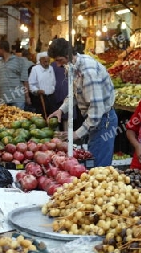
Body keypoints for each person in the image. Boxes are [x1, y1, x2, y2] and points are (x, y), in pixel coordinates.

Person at [47, 38, 117, 166]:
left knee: (98, 167)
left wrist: (76, 134)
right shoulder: (74, 67)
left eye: (59, 60)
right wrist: (61, 110)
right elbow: (74, 94)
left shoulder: (88, 71)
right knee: (92, 163)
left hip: (103, 122)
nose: (57, 65)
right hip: (94, 122)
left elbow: (96, 112)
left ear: (68, 55)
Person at [0, 41, 31, 110]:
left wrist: (27, 97)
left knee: (18, 119)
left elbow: (25, 80)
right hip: (3, 98)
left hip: (18, 98)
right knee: (5, 119)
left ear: (2, 49)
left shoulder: (19, 61)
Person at [51, 55, 78, 131]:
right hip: (59, 94)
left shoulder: (83, 69)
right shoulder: (53, 65)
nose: (58, 65)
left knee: (68, 116)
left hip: (69, 92)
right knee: (58, 116)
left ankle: (68, 135)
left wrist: (78, 134)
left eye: (60, 60)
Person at [28, 52, 57, 117]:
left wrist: (52, 90)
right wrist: (37, 90)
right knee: (42, 117)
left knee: (52, 117)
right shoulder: (35, 69)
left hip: (51, 98)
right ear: (40, 60)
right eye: (44, 59)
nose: (46, 61)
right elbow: (31, 84)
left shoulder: (51, 68)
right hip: (40, 98)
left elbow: (53, 82)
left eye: (47, 59)